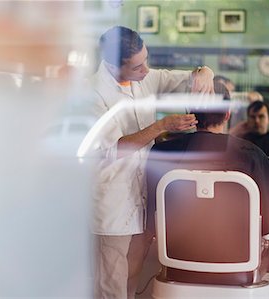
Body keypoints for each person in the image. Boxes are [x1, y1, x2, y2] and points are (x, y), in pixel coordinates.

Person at [90, 26, 214, 299]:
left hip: (141, 204)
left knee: (132, 283)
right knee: (111, 289)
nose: (146, 70)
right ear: (112, 64)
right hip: (112, 207)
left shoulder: (143, 78)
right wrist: (161, 126)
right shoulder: (94, 94)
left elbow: (189, 79)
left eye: (146, 59)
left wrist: (204, 72)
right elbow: (112, 150)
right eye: (137, 66)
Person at [146, 97, 269, 240]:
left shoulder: (162, 151)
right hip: (236, 257)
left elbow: (153, 211)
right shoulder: (250, 154)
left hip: (177, 254)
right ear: (227, 115)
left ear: (190, 113)